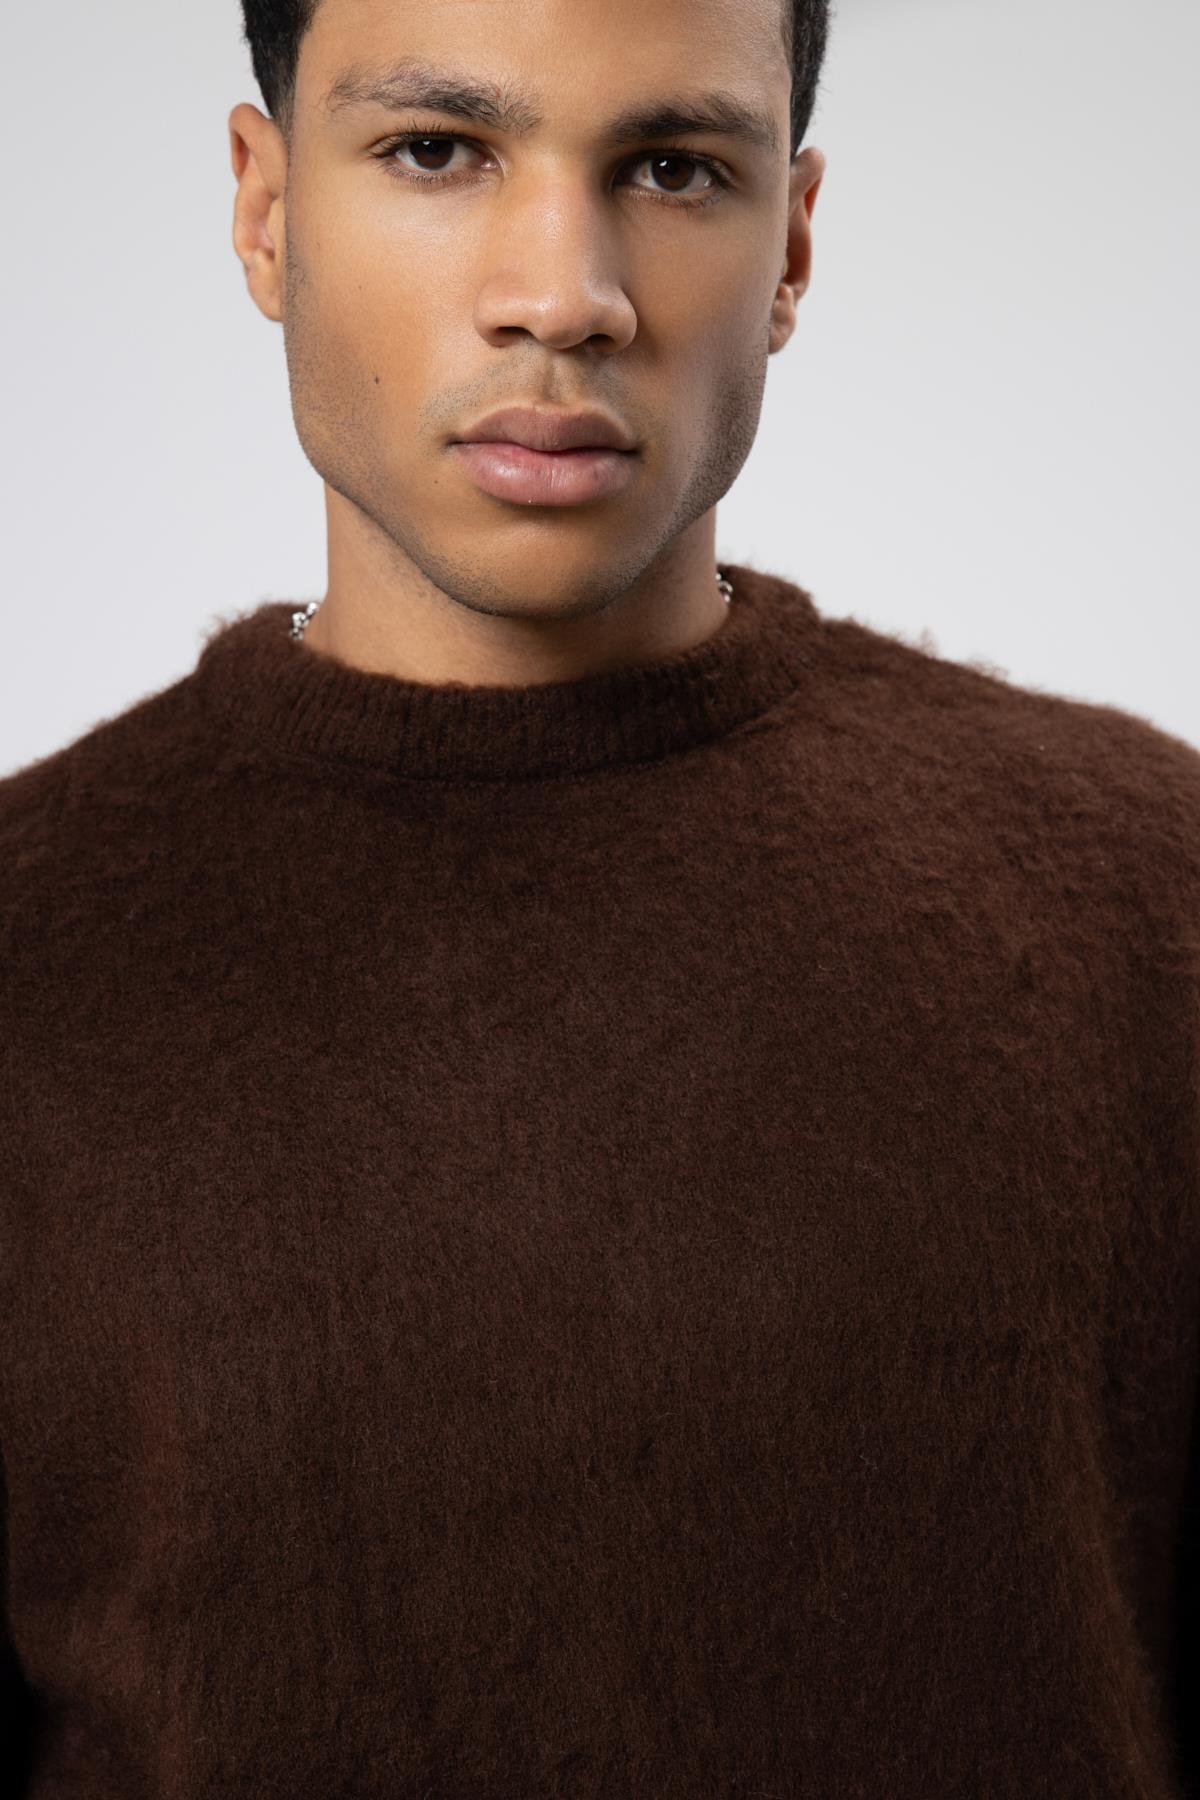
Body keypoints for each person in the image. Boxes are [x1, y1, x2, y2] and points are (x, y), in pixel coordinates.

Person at [2, 0, 1198, 1794]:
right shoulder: (33, 960)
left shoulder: (1150, 899)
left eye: (673, 168)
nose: (562, 296)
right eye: (436, 151)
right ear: (266, 209)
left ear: (791, 247)